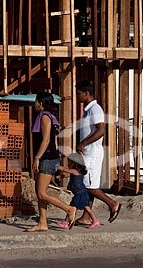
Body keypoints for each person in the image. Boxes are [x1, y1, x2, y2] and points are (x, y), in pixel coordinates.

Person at [25, 92, 77, 232]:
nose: (34, 104)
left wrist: (37, 157)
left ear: (41, 103)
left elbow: (47, 139)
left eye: (36, 101)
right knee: (39, 192)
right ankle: (43, 223)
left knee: (42, 193)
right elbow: (54, 140)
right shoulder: (51, 117)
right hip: (50, 156)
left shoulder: (45, 117)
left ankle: (69, 209)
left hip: (46, 158)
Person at [76, 80, 122, 225]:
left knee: (87, 185)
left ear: (86, 93)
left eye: (79, 94)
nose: (78, 97)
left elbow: (101, 130)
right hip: (88, 152)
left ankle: (112, 203)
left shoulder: (95, 109)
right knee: (89, 183)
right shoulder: (88, 110)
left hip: (92, 153)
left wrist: (83, 143)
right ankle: (86, 217)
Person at [56, 152, 100, 229]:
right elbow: (68, 174)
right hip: (80, 193)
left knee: (73, 208)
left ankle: (66, 222)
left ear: (74, 163)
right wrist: (61, 176)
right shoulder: (78, 171)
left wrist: (54, 165)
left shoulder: (74, 171)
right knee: (80, 208)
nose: (68, 164)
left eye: (69, 162)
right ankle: (94, 221)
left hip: (80, 194)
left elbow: (64, 169)